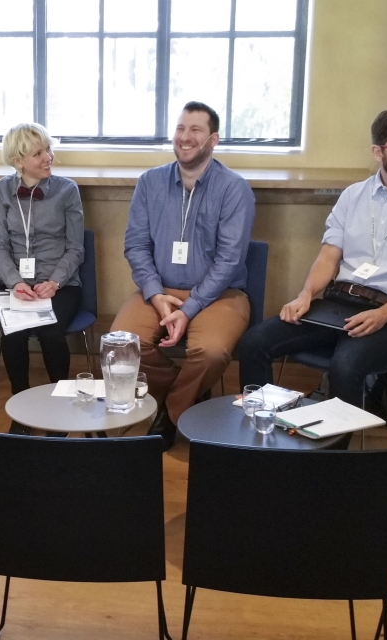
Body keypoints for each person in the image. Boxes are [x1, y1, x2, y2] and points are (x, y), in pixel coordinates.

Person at [237, 108, 387, 442]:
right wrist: (306, 295)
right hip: (338, 304)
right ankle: (264, 438)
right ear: (378, 151)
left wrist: (384, 314)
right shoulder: (353, 196)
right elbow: (329, 257)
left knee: (345, 365)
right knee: (254, 342)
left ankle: (336, 467)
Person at [111, 101, 255, 450]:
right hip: (159, 290)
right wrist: (155, 294)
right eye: (180, 128)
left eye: (195, 130)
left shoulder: (234, 188)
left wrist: (188, 310)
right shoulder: (150, 182)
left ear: (213, 139)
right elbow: (135, 246)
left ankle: (171, 412)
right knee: (120, 344)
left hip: (220, 293)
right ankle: (188, 390)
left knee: (211, 352)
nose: (185, 137)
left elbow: (229, 259)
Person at [0, 123, 85, 433]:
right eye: (39, 153)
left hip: (61, 284)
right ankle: (22, 407)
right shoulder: (1, 191)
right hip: (19, 285)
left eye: (48, 149)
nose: (49, 157)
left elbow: (75, 247)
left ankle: (59, 407)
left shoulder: (67, 190)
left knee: (51, 332)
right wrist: (15, 281)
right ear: (18, 160)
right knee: (12, 335)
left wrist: (55, 281)